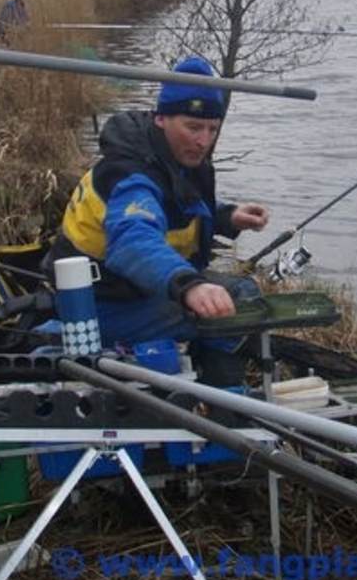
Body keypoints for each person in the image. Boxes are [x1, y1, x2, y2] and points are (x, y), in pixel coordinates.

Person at [45, 56, 269, 381]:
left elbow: (174, 206)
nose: (203, 141)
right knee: (235, 305)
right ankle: (224, 401)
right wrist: (189, 285)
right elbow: (134, 241)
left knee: (241, 290)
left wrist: (227, 216)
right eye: (193, 127)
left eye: (212, 129)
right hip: (94, 306)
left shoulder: (167, 155)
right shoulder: (130, 174)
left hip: (127, 292)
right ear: (161, 118)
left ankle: (208, 379)